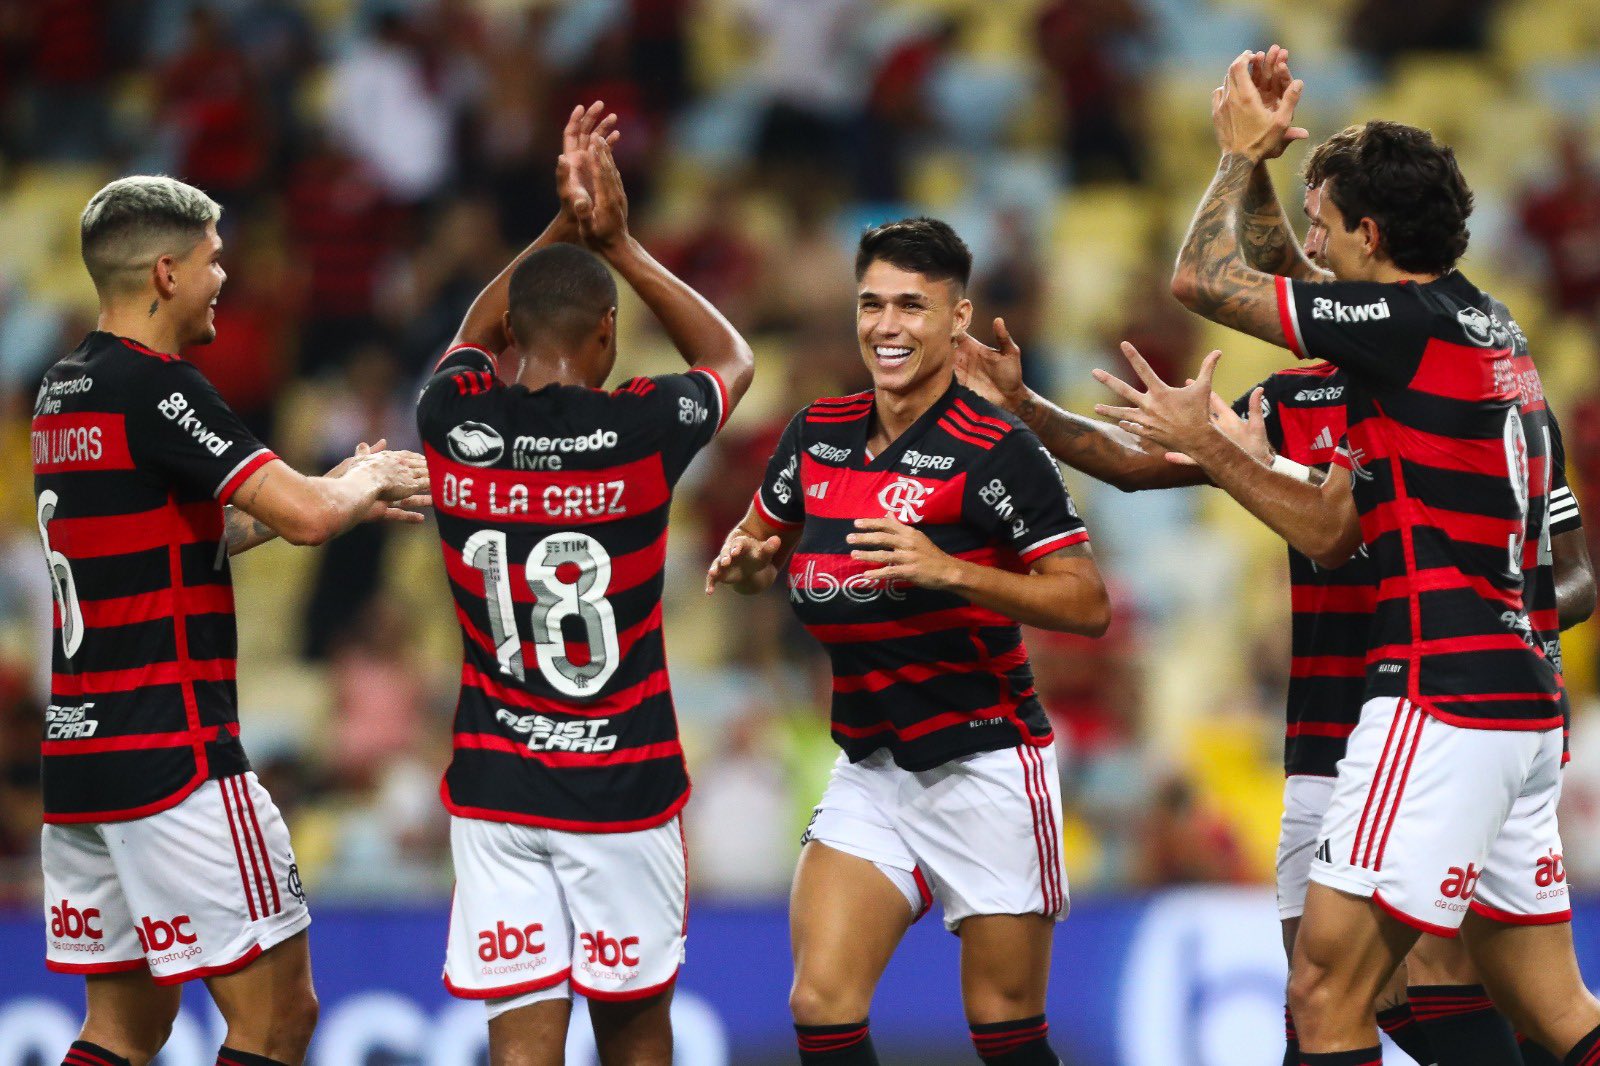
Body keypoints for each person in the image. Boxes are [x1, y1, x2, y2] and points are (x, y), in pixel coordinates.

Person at [960, 45, 1599, 1066]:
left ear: (1370, 235)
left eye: (1325, 223)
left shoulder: (1404, 334)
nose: (1312, 244)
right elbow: (1289, 281)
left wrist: (1235, 156)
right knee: (1551, 1009)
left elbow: (1205, 280)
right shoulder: (1480, 328)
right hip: (1509, 702)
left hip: (1439, 692)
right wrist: (1028, 404)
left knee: (1325, 989)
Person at [35, 175, 429, 1066]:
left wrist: (337, 489)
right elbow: (309, 519)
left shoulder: (65, 389)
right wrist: (365, 479)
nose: (225, 278)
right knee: (278, 1018)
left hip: (84, 762)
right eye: (214, 261)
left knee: (125, 1029)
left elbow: (174, 537)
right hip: (174, 754)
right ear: (166, 272)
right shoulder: (158, 387)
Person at [707, 216, 1110, 1066]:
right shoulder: (816, 434)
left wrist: (949, 570)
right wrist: (744, 566)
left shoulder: (997, 450)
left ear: (957, 319)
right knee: (820, 1004)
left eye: (911, 306)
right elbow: (758, 544)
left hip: (987, 764)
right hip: (871, 766)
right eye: (872, 304)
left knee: (1005, 1033)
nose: (887, 326)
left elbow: (1086, 603)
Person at [415, 104, 754, 1065]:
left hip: (495, 787)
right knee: (637, 1042)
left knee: (521, 1052)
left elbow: (472, 331)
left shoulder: (451, 421)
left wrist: (561, 229)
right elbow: (731, 358)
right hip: (624, 787)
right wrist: (620, 244)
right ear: (608, 333)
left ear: (513, 336)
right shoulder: (642, 429)